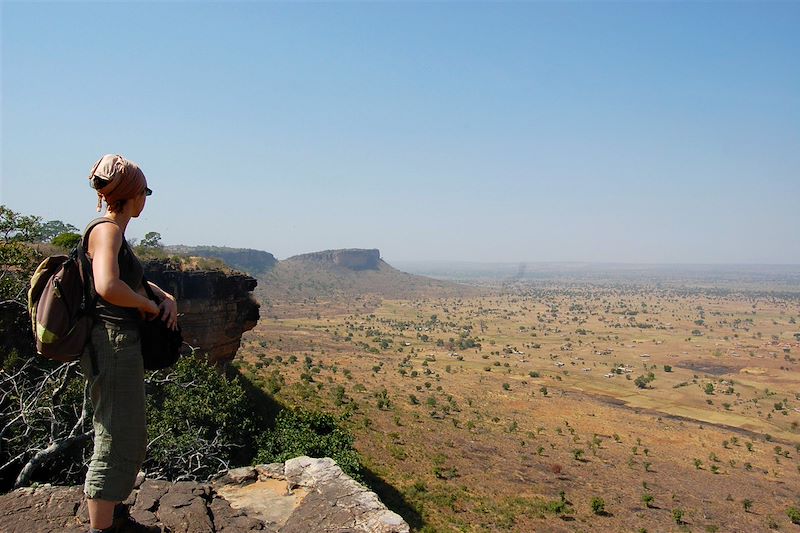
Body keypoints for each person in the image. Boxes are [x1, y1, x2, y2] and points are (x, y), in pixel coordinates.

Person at [82, 154, 178, 533]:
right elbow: (107, 285)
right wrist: (146, 306)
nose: (147, 199)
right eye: (146, 192)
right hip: (113, 342)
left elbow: (124, 276)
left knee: (124, 428)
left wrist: (162, 295)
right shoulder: (107, 231)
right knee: (117, 432)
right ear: (133, 195)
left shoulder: (111, 231)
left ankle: (113, 515)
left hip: (116, 342)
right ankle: (102, 528)